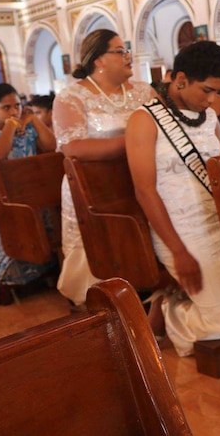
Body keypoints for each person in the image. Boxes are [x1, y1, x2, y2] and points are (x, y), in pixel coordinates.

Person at [125, 41, 220, 356]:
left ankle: (180, 299)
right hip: (181, 230)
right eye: (206, 91)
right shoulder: (144, 120)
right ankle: (170, 310)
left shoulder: (208, 117)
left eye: (217, 92)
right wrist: (179, 251)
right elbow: (145, 191)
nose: (212, 100)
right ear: (180, 80)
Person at [53, 29, 154, 307]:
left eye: (127, 50)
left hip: (138, 175)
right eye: (120, 51)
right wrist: (136, 141)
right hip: (91, 184)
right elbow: (72, 147)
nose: (128, 56)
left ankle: (145, 290)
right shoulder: (71, 97)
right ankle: (103, 301)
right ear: (99, 59)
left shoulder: (144, 91)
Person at [0, 83, 56, 308]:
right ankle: (8, 283)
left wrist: (34, 120)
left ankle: (40, 278)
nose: (14, 111)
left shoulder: (28, 125)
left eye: (17, 105)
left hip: (34, 193)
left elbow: (52, 146)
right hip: (5, 199)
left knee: (43, 239)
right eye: (6, 107)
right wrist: (11, 126)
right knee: (10, 245)